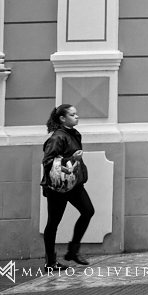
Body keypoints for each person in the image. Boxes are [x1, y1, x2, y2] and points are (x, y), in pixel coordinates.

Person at [41, 104, 94, 269]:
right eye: (72, 114)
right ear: (62, 118)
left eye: (76, 114)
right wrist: (71, 158)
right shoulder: (57, 137)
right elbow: (48, 161)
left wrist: (73, 160)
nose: (76, 116)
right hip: (57, 186)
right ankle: (50, 262)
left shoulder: (74, 134)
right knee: (53, 222)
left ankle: (73, 251)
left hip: (73, 183)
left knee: (87, 211)